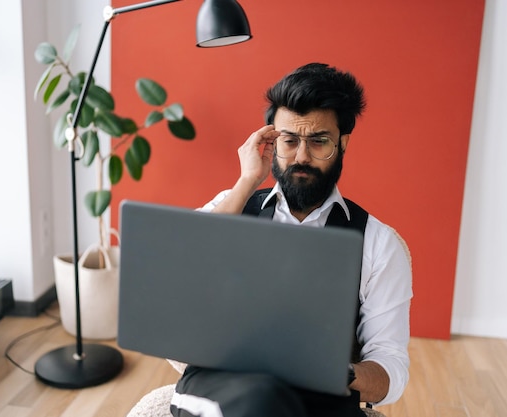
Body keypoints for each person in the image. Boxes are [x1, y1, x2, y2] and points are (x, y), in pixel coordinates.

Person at [169, 63, 412, 417]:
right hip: (220, 389)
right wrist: (247, 181)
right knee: (259, 402)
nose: (301, 156)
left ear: (343, 142)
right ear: (271, 140)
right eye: (290, 140)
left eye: (318, 141)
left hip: (319, 397)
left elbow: (391, 368)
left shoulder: (378, 244)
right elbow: (179, 263)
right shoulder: (233, 204)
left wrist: (337, 371)